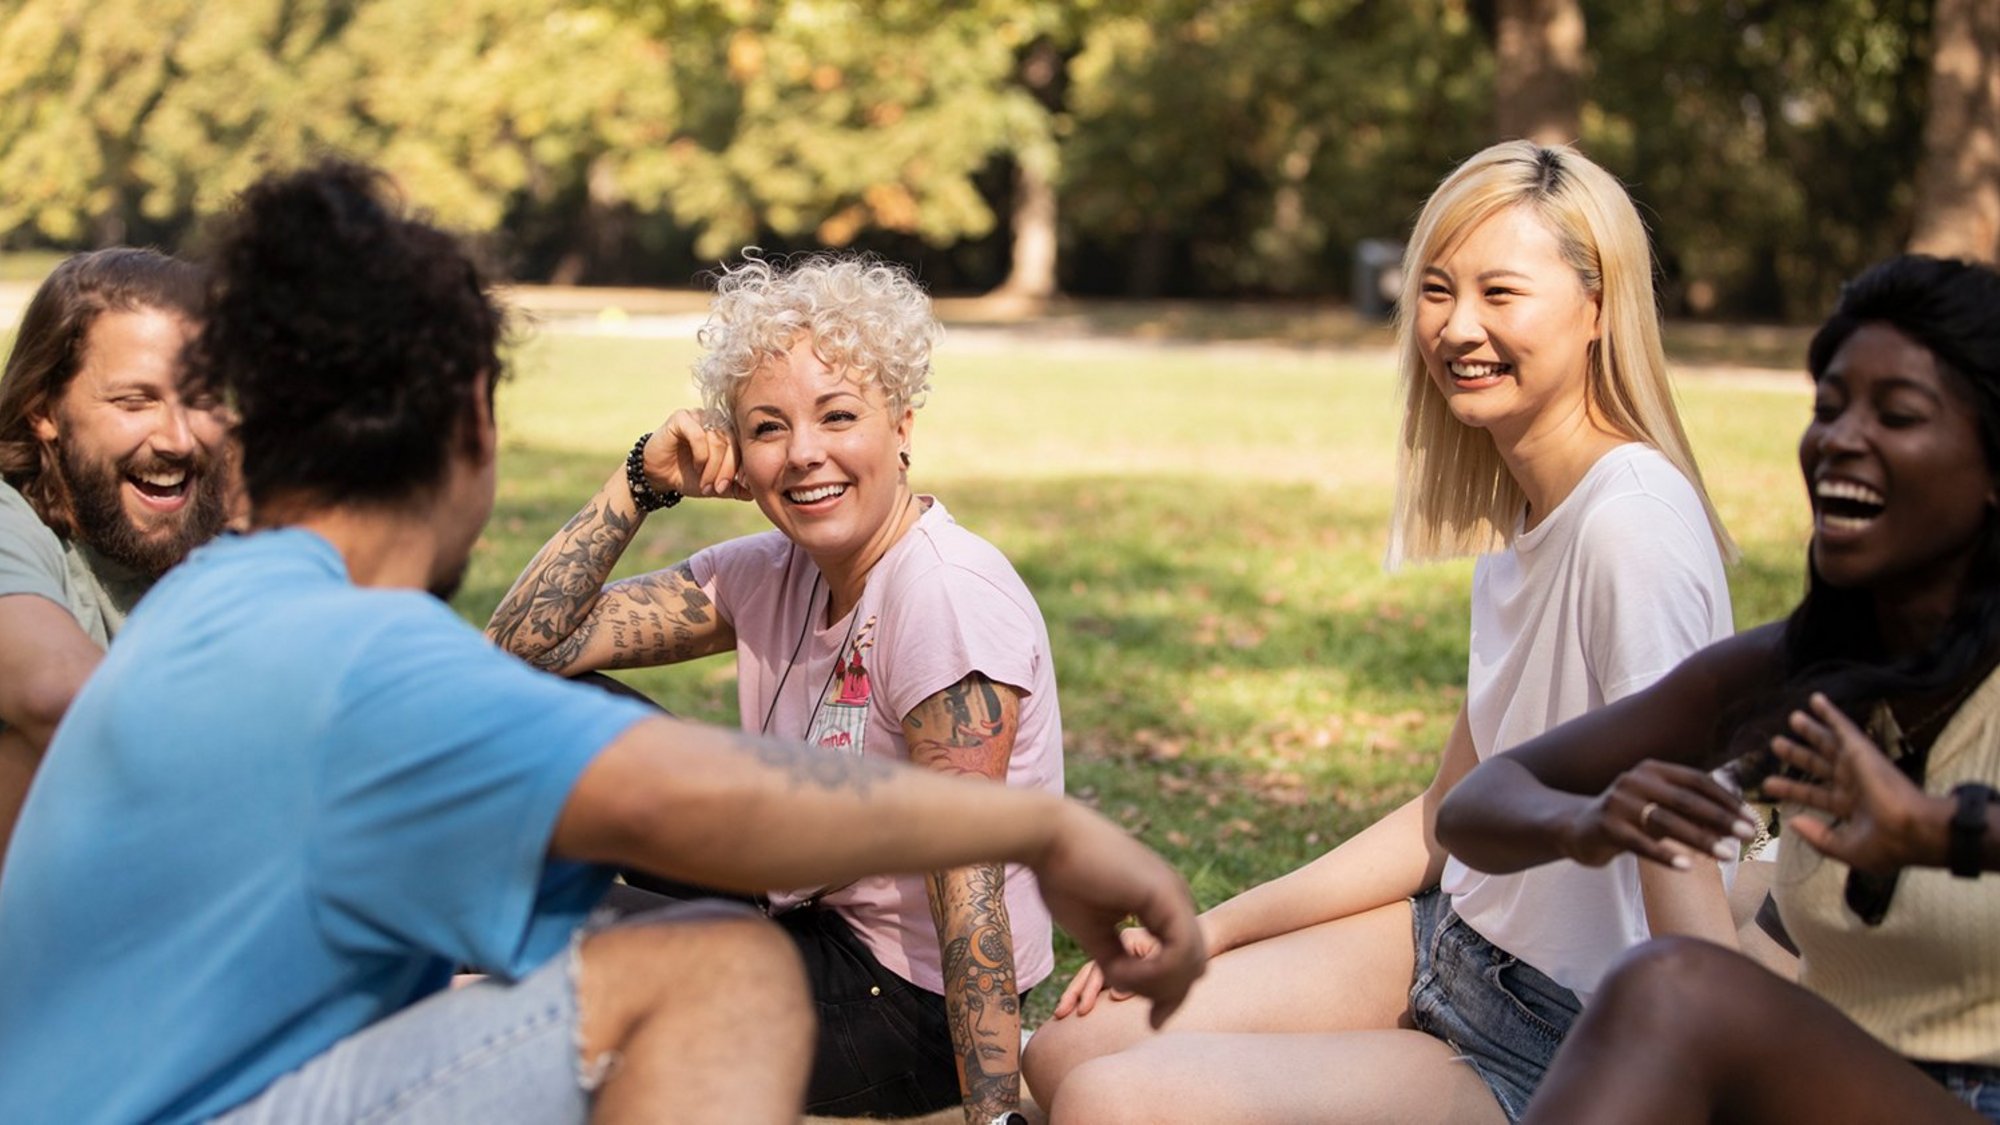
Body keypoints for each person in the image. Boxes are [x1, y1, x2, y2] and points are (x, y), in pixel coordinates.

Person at [0, 161, 1204, 1125]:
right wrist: (1043, 824)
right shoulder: (366, 658)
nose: (805, 453)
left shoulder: (222, 598)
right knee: (717, 971)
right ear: (472, 422)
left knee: (650, 948)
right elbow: (713, 801)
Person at [1020, 139, 1741, 1124]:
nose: (1455, 327)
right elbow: (1446, 813)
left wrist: (1709, 1085)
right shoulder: (1528, 510)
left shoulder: (1629, 527)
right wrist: (1211, 929)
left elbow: (1679, 840)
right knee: (1065, 1052)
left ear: (1599, 308)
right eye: (1436, 291)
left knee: (1109, 1102)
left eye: (1500, 293)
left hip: (1564, 1034)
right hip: (1449, 941)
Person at [486, 252, 1061, 1124]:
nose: (804, 455)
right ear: (738, 457)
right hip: (797, 904)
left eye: (838, 415)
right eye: (767, 428)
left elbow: (967, 871)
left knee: (569, 983)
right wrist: (641, 479)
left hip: (907, 1004)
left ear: (903, 424)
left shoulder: (943, 595)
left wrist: (994, 1113)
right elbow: (521, 651)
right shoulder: (770, 569)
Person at [1438, 254, 2000, 1123]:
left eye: (1897, 415)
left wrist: (1936, 828)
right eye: (1830, 406)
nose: (1841, 438)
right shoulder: (1801, 667)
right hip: (1835, 1081)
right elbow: (1479, 802)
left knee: (1677, 989)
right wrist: (1585, 822)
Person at [0, 247, 231, 869]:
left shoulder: (223, 532)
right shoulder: (8, 523)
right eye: (135, 402)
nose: (178, 439)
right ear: (43, 411)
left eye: (202, 397)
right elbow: (57, 696)